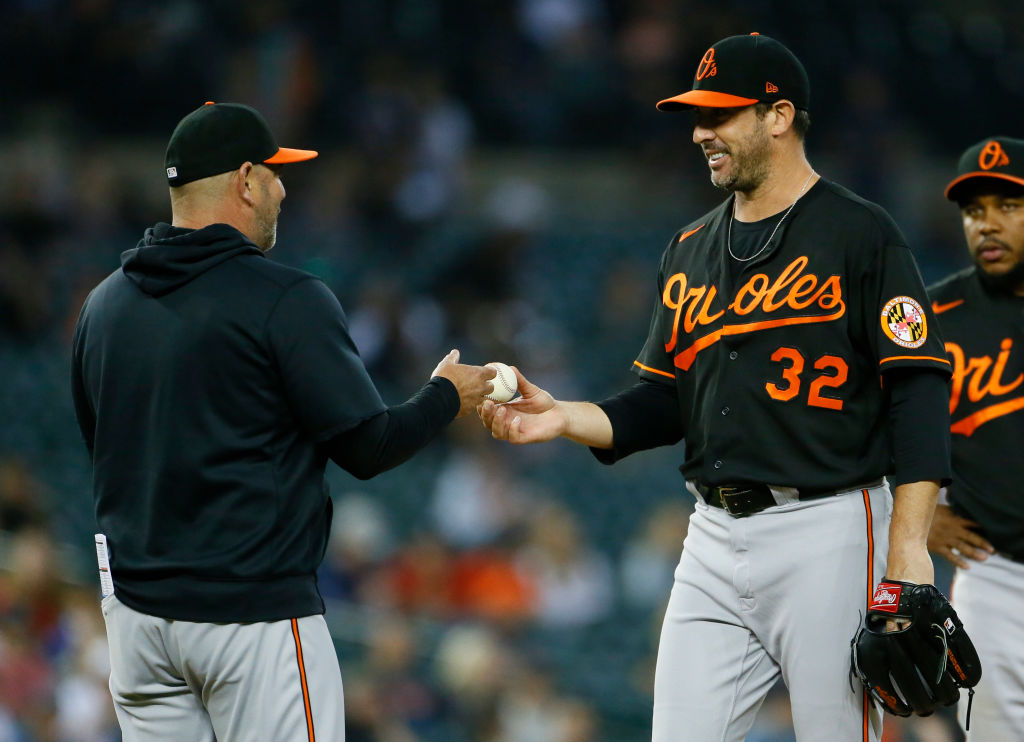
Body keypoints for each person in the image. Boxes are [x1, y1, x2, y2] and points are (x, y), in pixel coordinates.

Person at [479, 33, 954, 741]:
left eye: (721, 114)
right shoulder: (688, 249)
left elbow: (917, 392)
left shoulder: (861, 234)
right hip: (710, 536)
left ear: (779, 116)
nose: (701, 132)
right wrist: (563, 417)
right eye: (697, 116)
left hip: (830, 526)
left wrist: (909, 551)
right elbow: (664, 402)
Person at [70, 101, 494, 742]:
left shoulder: (101, 306)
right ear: (244, 180)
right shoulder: (285, 298)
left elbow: (99, 446)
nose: (283, 188)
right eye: (273, 173)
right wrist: (444, 396)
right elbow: (369, 446)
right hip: (253, 621)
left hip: (138, 625)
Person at [927, 136, 1024, 742]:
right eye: (972, 210)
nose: (986, 224)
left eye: (1006, 206)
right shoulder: (931, 318)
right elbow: (853, 427)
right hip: (996, 578)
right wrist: (912, 514)